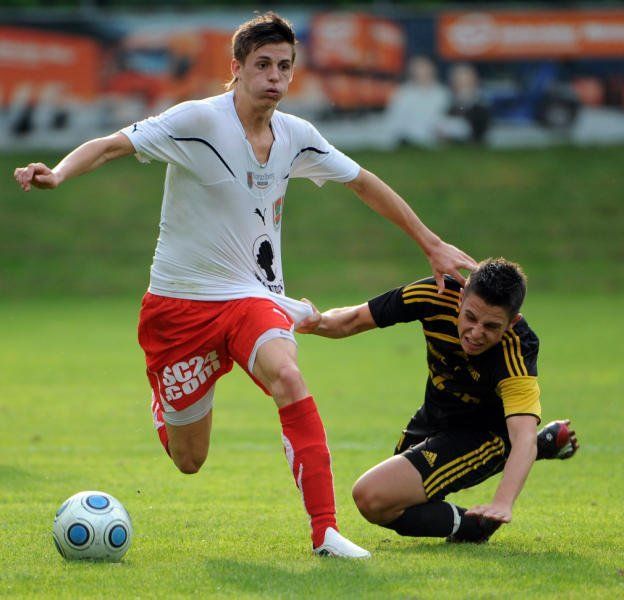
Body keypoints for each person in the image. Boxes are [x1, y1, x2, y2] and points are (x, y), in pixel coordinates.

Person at [12, 12, 476, 559]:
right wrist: (60, 173)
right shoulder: (197, 122)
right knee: (189, 459)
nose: (275, 76)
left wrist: (428, 241)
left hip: (254, 298)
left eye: (285, 66)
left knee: (288, 374)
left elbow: (363, 182)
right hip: (179, 305)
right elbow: (111, 145)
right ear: (235, 69)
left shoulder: (296, 136)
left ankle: (324, 532)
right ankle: (170, 398)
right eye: (262, 65)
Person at [298, 258, 578, 543]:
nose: (476, 332)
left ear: (512, 322)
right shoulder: (435, 294)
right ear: (460, 298)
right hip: (434, 416)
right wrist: (318, 322)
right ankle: (479, 521)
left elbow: (522, 436)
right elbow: (354, 318)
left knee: (372, 496)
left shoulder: (517, 349)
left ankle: (495, 495)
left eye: (491, 326)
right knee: (395, 505)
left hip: (483, 434)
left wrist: (502, 502)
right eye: (470, 317)